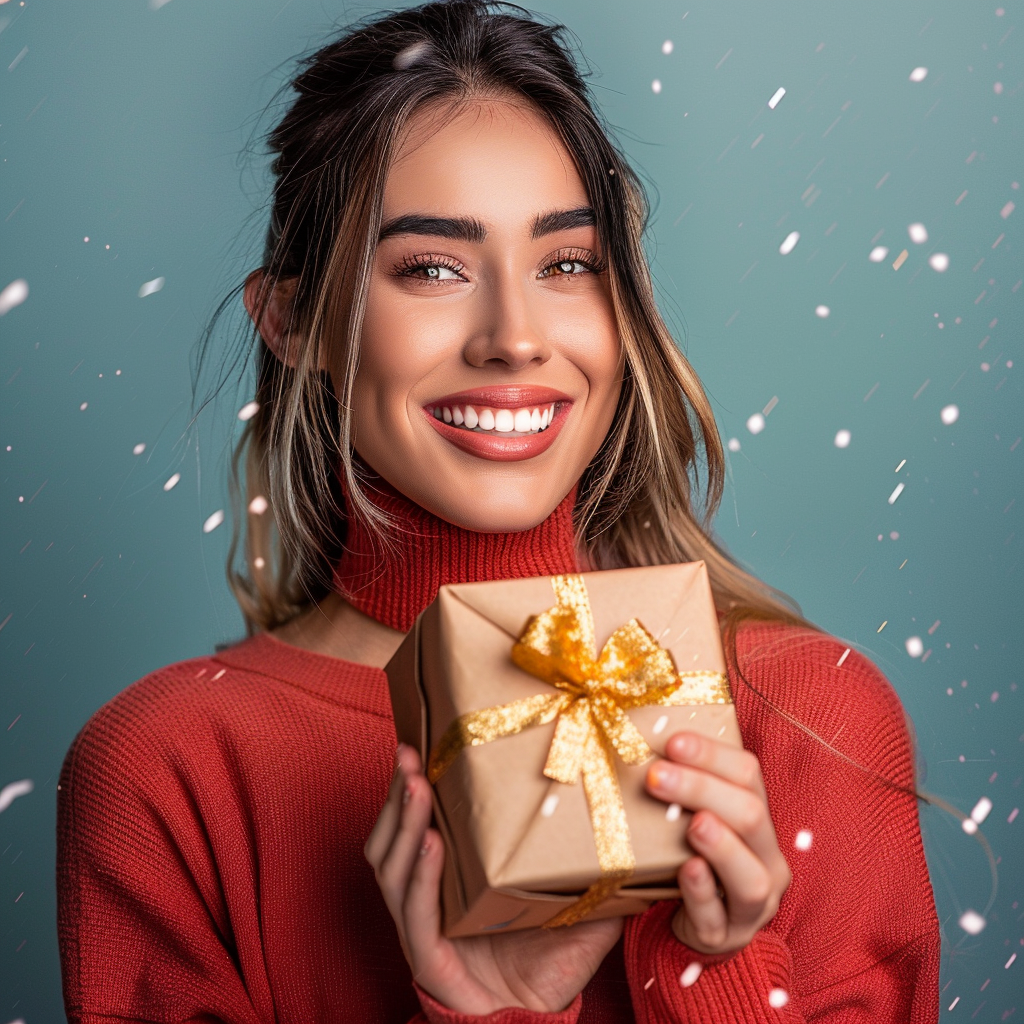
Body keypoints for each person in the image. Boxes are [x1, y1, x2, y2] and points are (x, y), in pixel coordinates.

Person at [56, 2, 941, 1021]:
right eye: (431, 267)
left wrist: (713, 968)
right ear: (297, 322)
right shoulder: (167, 771)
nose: (513, 337)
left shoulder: (806, 718)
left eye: (565, 264)